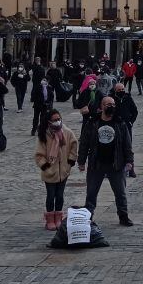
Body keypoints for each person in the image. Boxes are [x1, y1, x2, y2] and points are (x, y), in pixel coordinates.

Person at [77, 96, 134, 227]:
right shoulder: (93, 122)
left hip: (116, 163)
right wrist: (81, 161)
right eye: (108, 104)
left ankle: (123, 216)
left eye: (113, 104)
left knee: (120, 192)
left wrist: (129, 161)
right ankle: (88, 216)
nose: (111, 106)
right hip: (96, 163)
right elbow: (84, 143)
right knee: (91, 193)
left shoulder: (120, 122)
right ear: (102, 106)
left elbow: (127, 144)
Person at [35, 108, 78, 230]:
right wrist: (45, 166)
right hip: (50, 172)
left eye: (59, 119)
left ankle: (58, 218)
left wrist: (70, 161)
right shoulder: (44, 135)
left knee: (60, 195)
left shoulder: (67, 132)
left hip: (63, 170)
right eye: (55, 120)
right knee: (50, 195)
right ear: (49, 122)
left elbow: (74, 145)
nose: (57, 122)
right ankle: (49, 219)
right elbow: (39, 155)